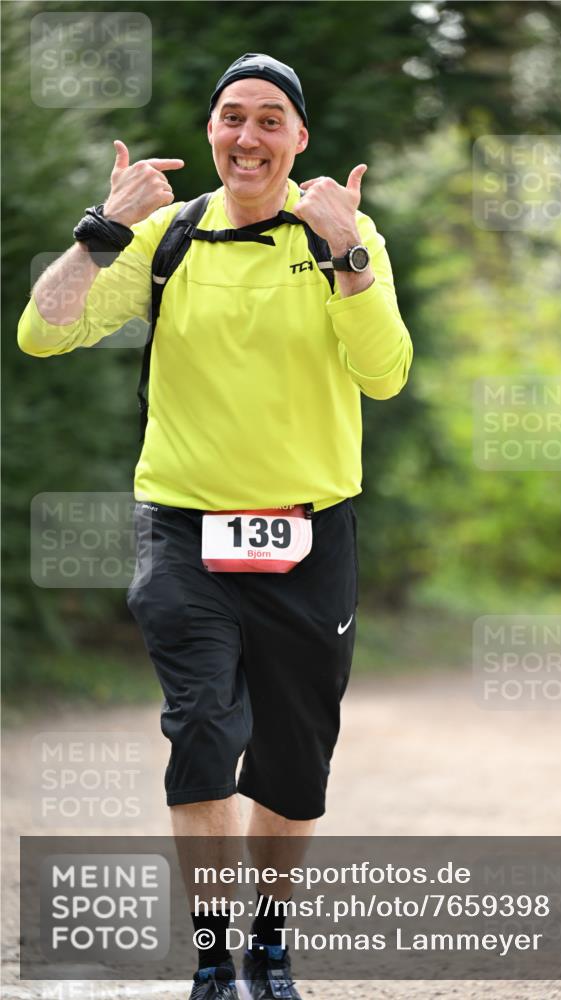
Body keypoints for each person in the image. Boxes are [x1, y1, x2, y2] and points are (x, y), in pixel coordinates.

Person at [18, 52, 413, 1000]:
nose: (248, 135)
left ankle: (267, 951)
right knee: (201, 727)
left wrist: (346, 250)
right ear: (210, 132)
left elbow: (385, 372)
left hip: (307, 540)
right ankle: (210, 961)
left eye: (270, 119)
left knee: (291, 762)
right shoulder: (163, 238)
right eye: (232, 116)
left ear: (300, 140)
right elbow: (43, 329)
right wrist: (100, 230)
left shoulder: (341, 239)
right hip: (186, 534)